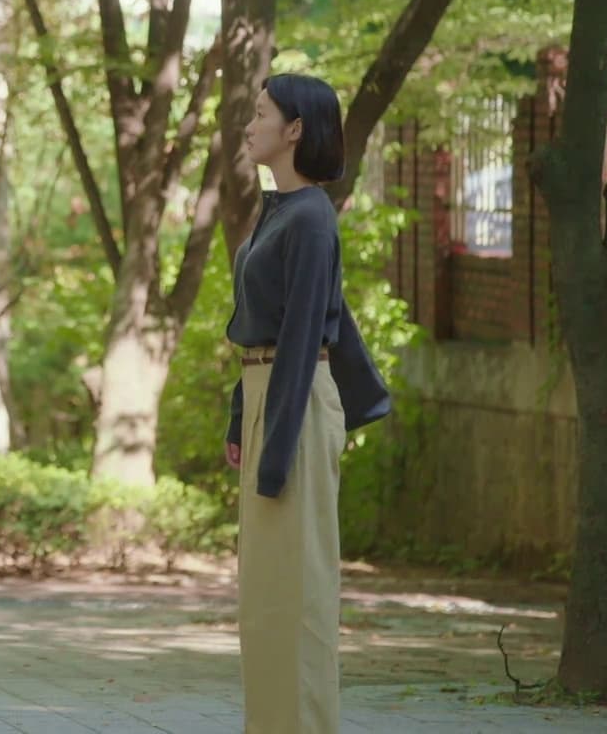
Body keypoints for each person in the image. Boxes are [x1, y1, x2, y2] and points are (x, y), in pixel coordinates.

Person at [224, 73, 392, 733]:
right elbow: (257, 326)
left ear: (295, 129)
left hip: (295, 404)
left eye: (262, 113)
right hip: (269, 399)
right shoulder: (280, 210)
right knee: (265, 599)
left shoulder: (313, 217)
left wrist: (275, 448)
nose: (250, 125)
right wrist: (241, 419)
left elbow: (300, 338)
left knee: (300, 597)